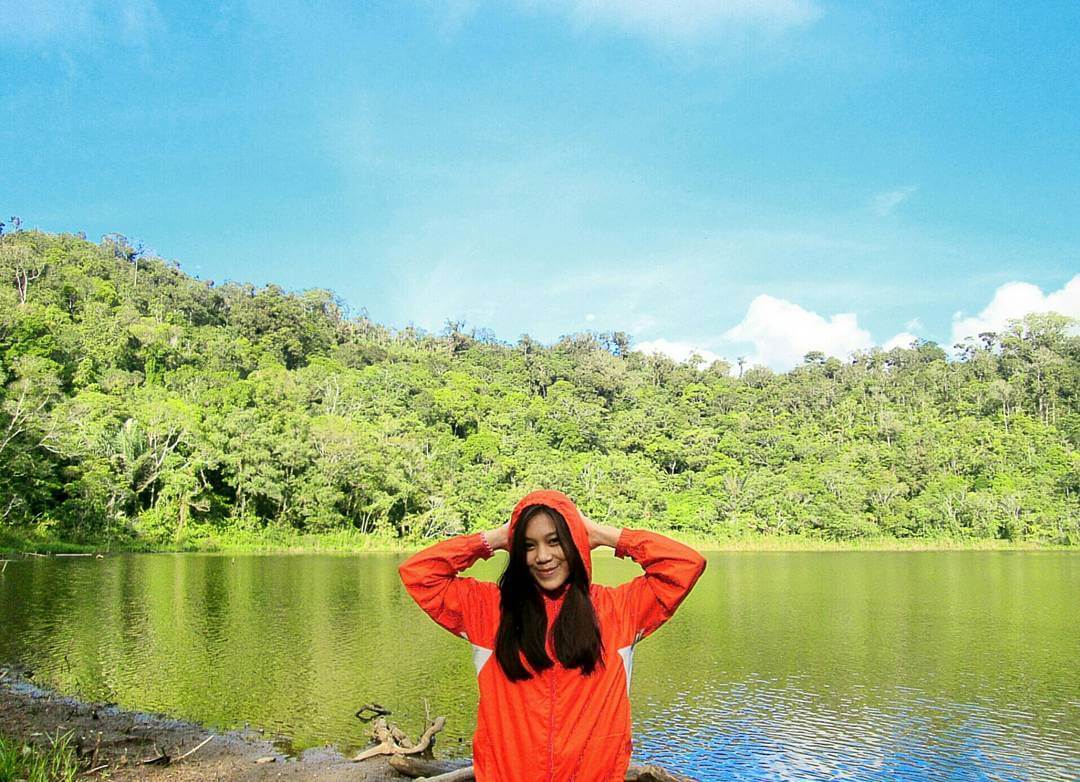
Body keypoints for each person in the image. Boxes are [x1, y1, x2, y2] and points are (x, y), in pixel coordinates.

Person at [398, 489, 707, 782]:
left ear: (575, 543)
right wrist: (492, 539)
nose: (542, 556)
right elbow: (419, 573)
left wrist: (604, 536)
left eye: (555, 541)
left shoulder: (620, 610)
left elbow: (684, 564)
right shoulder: (489, 611)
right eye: (528, 545)